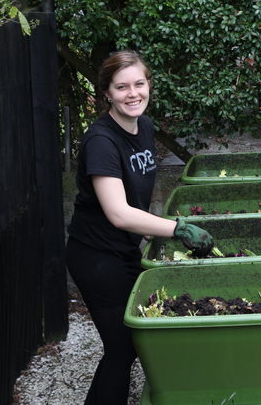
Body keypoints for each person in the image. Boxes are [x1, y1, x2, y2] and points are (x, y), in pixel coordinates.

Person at [66, 50, 213, 404]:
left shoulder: (143, 127)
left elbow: (135, 199)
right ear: (107, 93)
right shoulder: (102, 141)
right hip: (97, 259)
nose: (132, 94)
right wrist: (176, 228)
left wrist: (150, 230)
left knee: (130, 345)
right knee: (123, 348)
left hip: (124, 250)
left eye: (139, 84)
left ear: (149, 85)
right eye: (121, 87)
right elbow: (117, 212)